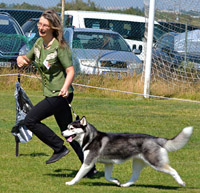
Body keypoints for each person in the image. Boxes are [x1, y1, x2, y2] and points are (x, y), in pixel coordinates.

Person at [17, 9, 97, 176]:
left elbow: (70, 71)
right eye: (39, 24)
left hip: (61, 95)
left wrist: (66, 87)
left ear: (53, 27)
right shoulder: (39, 43)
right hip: (51, 94)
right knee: (69, 132)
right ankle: (90, 168)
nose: (41, 27)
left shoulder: (60, 47)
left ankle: (58, 148)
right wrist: (21, 59)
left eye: (45, 25)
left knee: (30, 120)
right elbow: (27, 59)